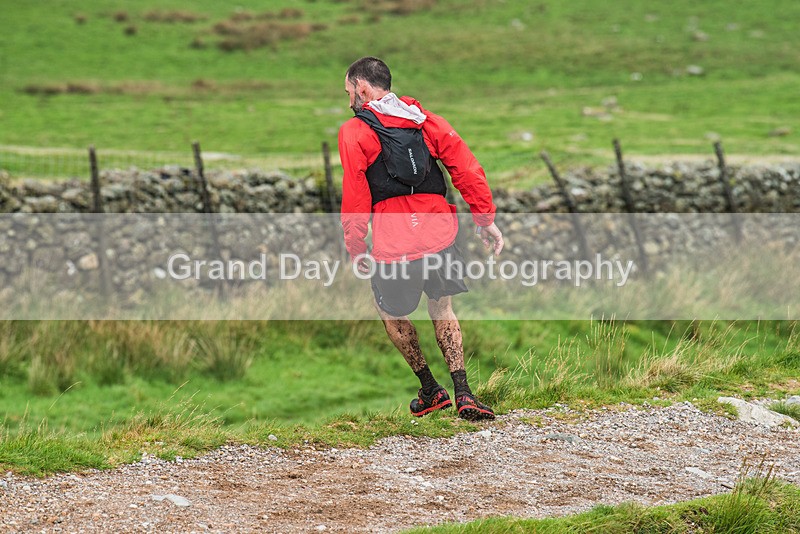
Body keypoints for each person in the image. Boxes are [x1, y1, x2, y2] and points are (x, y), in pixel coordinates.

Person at [338, 57, 504, 421]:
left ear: (362, 89)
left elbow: (355, 193)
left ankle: (431, 390)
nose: (349, 100)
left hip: (394, 240)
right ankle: (464, 393)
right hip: (439, 232)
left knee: (389, 311)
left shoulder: (355, 132)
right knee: (442, 308)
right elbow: (467, 168)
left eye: (349, 92)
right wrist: (484, 219)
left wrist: (355, 245)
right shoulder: (427, 121)